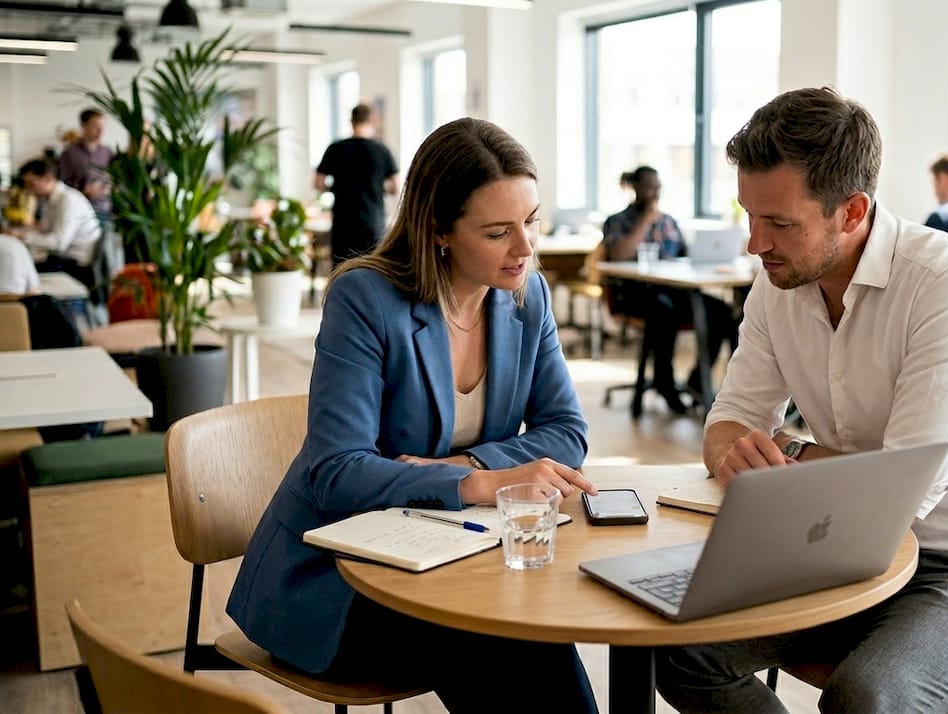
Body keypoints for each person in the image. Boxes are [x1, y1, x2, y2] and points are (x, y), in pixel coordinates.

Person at [654, 88, 948, 713]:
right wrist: (737, 450)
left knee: (865, 698)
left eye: (780, 223)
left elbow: (904, 488)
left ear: (852, 210)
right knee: (681, 653)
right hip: (831, 548)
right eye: (749, 217)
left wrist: (789, 454)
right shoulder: (778, 282)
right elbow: (727, 422)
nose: (755, 245)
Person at [228, 118, 600, 712]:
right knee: (508, 636)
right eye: (499, 231)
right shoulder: (365, 300)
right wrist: (476, 483)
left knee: (524, 628)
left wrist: (463, 465)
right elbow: (335, 471)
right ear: (439, 228)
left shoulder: (528, 297)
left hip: (458, 557)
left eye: (531, 221)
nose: (526, 248)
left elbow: (566, 433)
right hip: (336, 580)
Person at [601, 166, 735, 414]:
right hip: (636, 295)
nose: (654, 193)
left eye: (657, 187)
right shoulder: (617, 221)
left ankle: (697, 384)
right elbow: (618, 255)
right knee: (663, 309)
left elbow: (686, 258)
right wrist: (645, 221)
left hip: (676, 292)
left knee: (722, 312)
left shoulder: (669, 222)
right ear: (635, 188)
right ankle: (664, 382)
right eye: (649, 187)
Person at [314, 103, 400, 267]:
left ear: (351, 121)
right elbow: (396, 186)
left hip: (343, 223)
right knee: (373, 270)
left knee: (341, 271)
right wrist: (378, 188)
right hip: (372, 223)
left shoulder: (336, 148)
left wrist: (336, 188)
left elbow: (318, 183)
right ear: (372, 121)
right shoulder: (382, 150)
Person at [11, 158, 102, 290]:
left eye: (31, 184)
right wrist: (19, 234)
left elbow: (59, 242)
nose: (28, 190)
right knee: (20, 269)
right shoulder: (49, 200)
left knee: (19, 275)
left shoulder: (69, 200)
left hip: (76, 266)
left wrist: (21, 237)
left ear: (48, 178)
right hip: (62, 259)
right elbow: (45, 229)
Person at [58, 109, 115, 222]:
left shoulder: (107, 152)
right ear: (83, 125)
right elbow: (62, 183)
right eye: (95, 126)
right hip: (78, 211)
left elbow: (114, 178)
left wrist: (107, 188)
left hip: (104, 210)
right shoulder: (69, 153)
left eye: (103, 126)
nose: (100, 130)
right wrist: (83, 190)